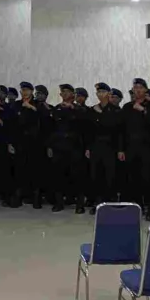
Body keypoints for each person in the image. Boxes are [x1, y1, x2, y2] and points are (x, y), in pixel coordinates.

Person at [119, 78, 150, 220]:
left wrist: (144, 111)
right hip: (131, 148)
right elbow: (121, 130)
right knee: (133, 179)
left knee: (149, 179)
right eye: (135, 88)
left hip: (147, 148)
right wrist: (121, 149)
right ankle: (137, 207)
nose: (137, 90)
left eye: (140, 88)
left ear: (145, 90)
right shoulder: (127, 107)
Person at [47, 84, 85, 213]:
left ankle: (79, 204)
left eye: (68, 91)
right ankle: (59, 203)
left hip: (74, 147)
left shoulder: (79, 109)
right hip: (59, 147)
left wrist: (73, 108)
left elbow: (84, 124)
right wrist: (50, 145)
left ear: (73, 95)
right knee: (58, 176)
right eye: (63, 92)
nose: (65, 94)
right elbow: (51, 129)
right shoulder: (56, 109)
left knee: (77, 176)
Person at [85, 83, 120, 214]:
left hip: (110, 146)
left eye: (103, 92)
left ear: (109, 94)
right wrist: (88, 147)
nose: (101, 94)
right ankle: (98, 203)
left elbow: (118, 131)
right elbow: (88, 131)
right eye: (98, 92)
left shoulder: (116, 110)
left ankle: (109, 202)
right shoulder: (92, 110)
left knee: (110, 175)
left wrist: (120, 149)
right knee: (96, 174)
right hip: (96, 146)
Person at [12, 82, 43, 208]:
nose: (24, 92)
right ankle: (19, 196)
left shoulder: (38, 104)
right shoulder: (16, 105)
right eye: (22, 90)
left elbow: (44, 119)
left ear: (31, 91)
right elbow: (12, 124)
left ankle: (35, 197)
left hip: (35, 142)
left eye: (27, 90)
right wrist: (11, 142)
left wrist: (31, 107)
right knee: (20, 169)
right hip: (20, 141)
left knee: (34, 170)